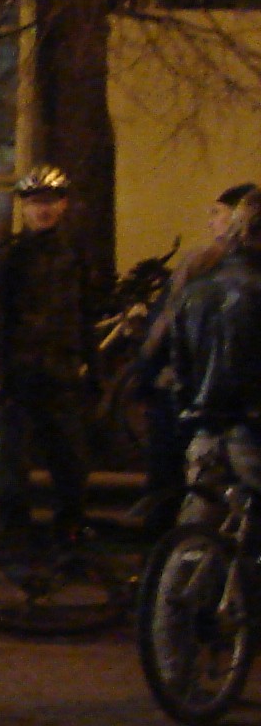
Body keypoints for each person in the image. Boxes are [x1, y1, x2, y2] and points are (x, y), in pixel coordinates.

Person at [0, 163, 98, 545]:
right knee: (12, 461)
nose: (43, 209)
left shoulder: (74, 254)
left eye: (50, 201)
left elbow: (85, 313)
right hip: (18, 372)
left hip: (59, 371)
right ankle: (13, 534)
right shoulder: (9, 255)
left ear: (63, 205)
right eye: (35, 202)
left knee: (70, 458)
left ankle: (70, 528)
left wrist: (91, 366)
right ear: (24, 207)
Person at [134, 182, 254, 536]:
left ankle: (173, 562)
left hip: (197, 412)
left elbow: (167, 336)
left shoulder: (200, 276)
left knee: (192, 511)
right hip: (241, 418)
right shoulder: (213, 271)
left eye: (218, 213)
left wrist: (154, 381)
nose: (211, 222)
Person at [165, 189, 261, 500]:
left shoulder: (195, 291)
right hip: (251, 432)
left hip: (204, 431)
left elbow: (180, 367)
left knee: (201, 517)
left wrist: (188, 414)